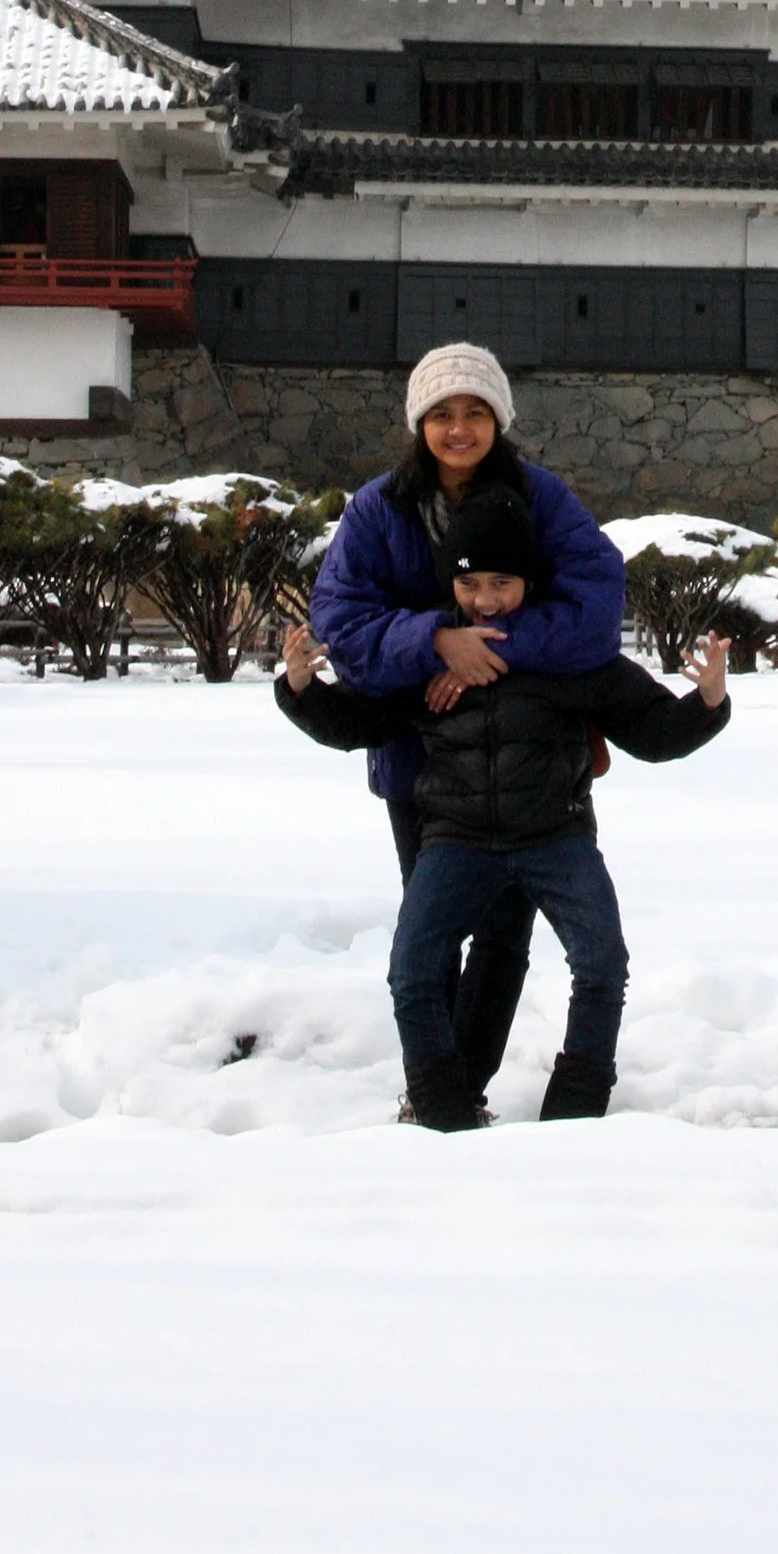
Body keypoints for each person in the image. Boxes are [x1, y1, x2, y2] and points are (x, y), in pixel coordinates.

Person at [281, 489, 729, 1127]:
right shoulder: (434, 653)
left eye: (502, 582)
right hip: (455, 839)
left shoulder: (566, 652)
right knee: (412, 970)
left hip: (556, 837)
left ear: (528, 582)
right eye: (469, 583)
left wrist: (706, 702)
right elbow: (362, 720)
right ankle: (441, 1107)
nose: (485, 599)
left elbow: (651, 730)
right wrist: (302, 689)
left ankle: (577, 1108)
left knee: (602, 963)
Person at [307, 344, 625, 1100]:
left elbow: (597, 602)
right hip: (417, 756)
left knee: (504, 936)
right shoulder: (379, 508)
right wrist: (433, 641)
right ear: (419, 423)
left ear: (499, 419)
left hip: (528, 761)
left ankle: (462, 1088)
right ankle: (438, 1088)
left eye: (475, 412)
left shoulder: (539, 497)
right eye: (442, 413)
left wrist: (486, 647)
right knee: (430, 934)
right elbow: (339, 618)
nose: (458, 429)